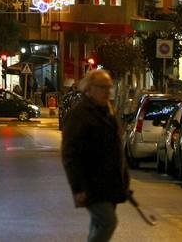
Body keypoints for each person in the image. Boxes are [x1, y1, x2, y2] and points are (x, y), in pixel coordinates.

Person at [60, 69, 130, 242]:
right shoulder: (80, 114)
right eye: (102, 87)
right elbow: (70, 154)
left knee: (98, 224)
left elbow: (116, 148)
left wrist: (124, 178)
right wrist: (78, 186)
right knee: (108, 222)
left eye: (109, 87)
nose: (107, 91)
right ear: (89, 88)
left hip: (110, 183)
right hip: (91, 183)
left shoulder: (107, 111)